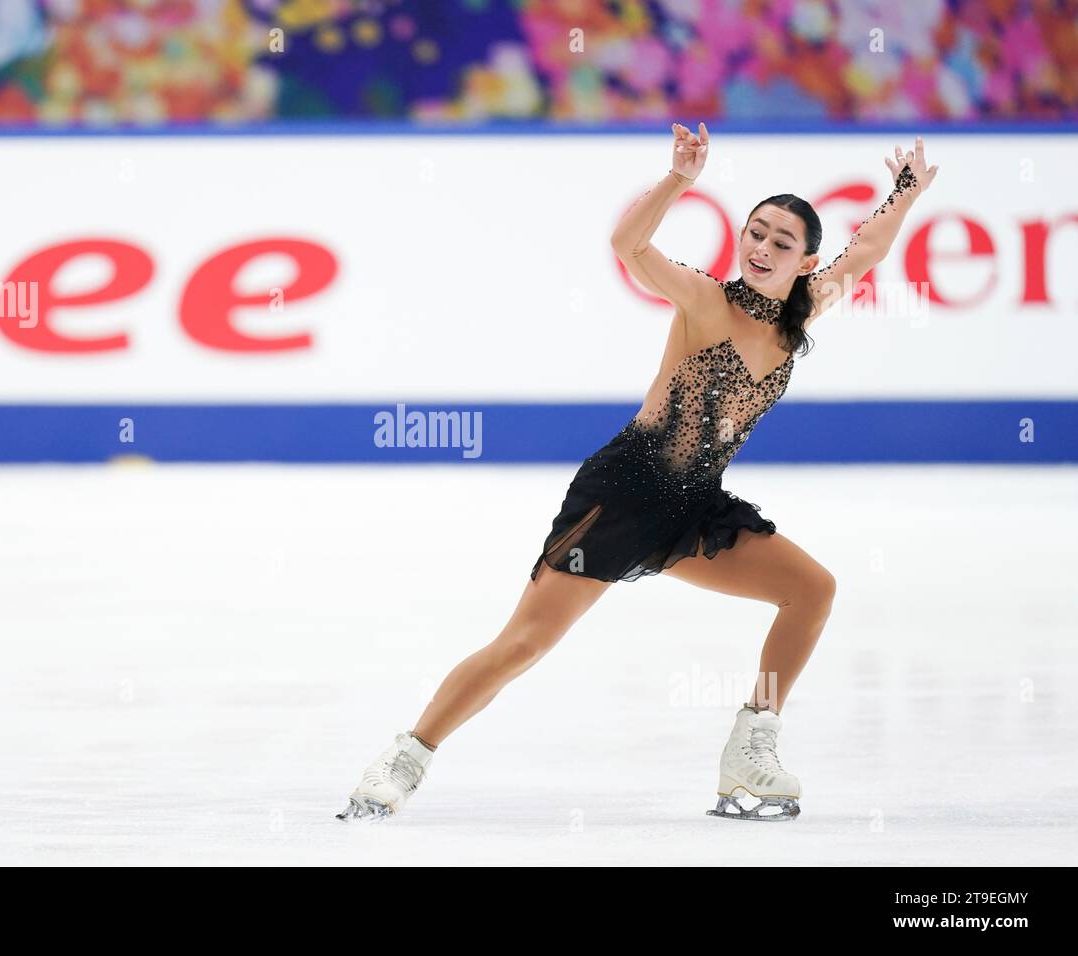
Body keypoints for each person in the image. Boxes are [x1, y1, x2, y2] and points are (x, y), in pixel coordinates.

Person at [337, 122, 938, 823]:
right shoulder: (703, 299)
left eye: (782, 242)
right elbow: (628, 247)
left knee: (811, 591)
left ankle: (751, 750)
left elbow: (865, 249)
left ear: (806, 263)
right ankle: (404, 760)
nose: (763, 247)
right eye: (756, 232)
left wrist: (904, 191)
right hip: (620, 496)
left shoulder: (799, 316)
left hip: (693, 509)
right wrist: (679, 181)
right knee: (524, 643)